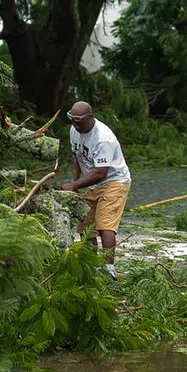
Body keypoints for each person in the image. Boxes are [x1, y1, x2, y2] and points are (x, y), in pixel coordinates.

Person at [61, 101, 131, 280]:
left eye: (80, 122)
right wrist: (75, 182)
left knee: (104, 224)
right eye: (73, 121)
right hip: (91, 183)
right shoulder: (74, 131)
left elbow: (101, 172)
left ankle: (109, 270)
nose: (76, 125)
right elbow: (75, 155)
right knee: (84, 225)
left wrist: (75, 186)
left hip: (114, 181)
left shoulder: (102, 138)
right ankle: (91, 265)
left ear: (90, 117)